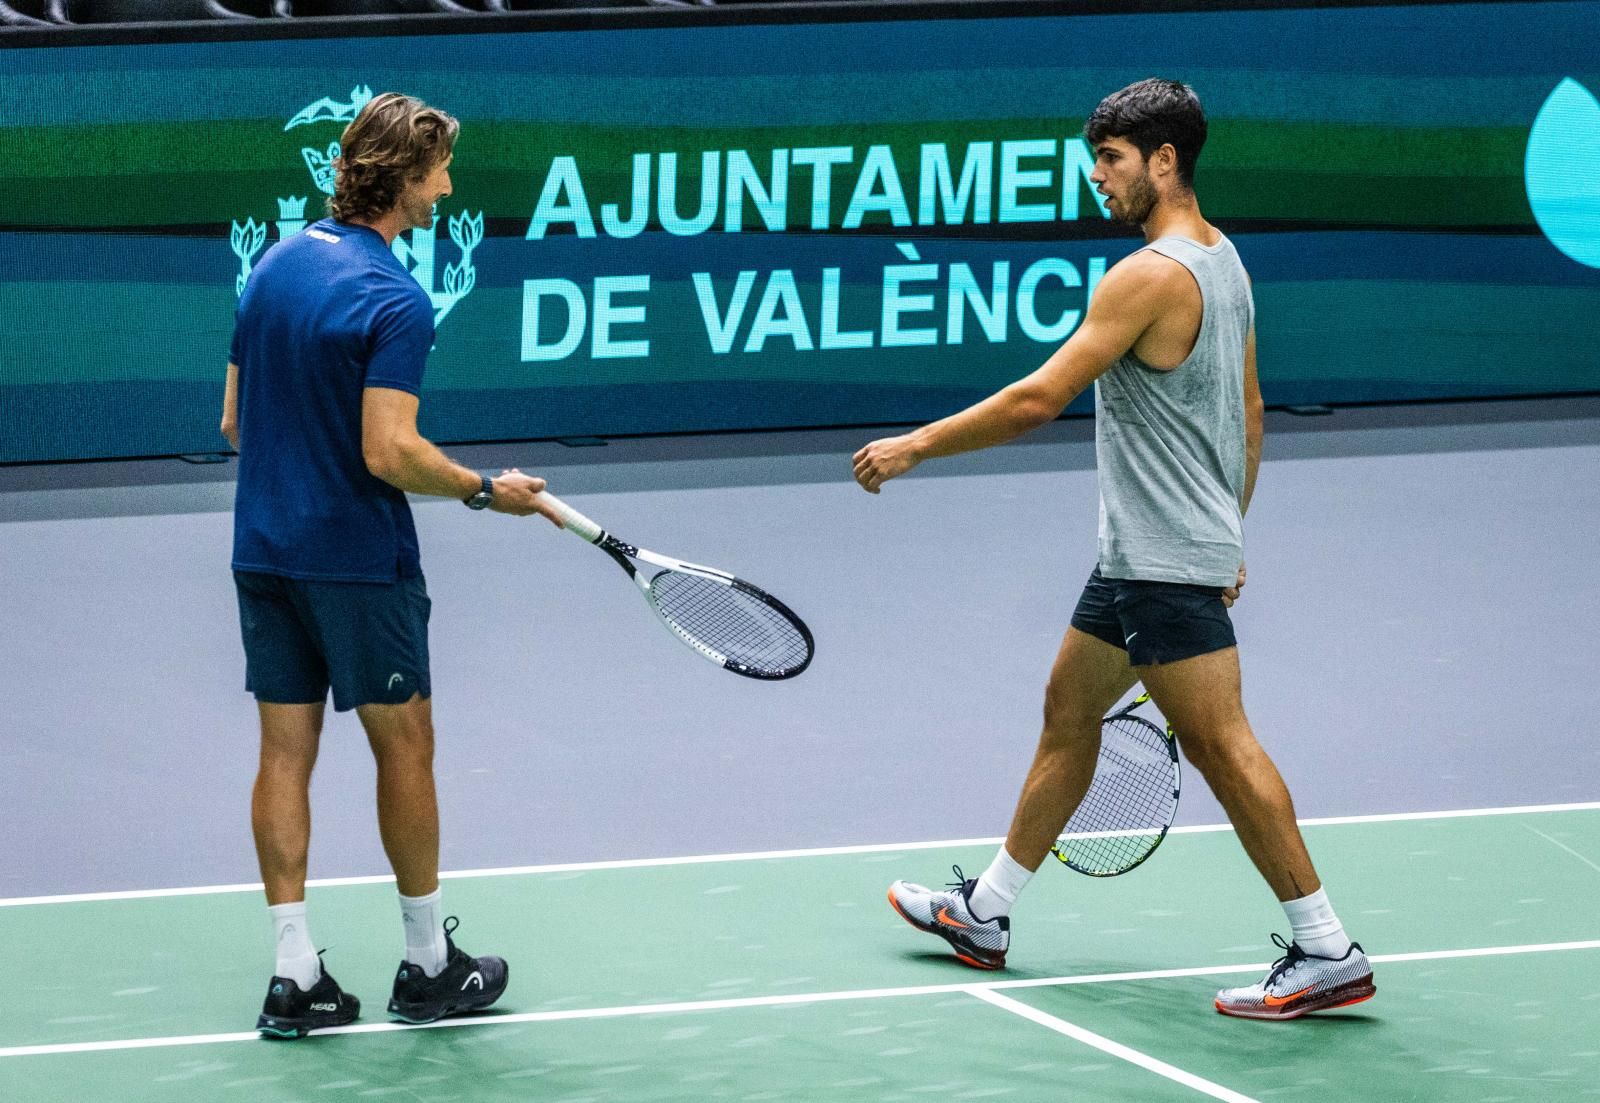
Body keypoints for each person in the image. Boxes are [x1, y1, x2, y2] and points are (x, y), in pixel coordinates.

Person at [855, 79, 1374, 1020]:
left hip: (1162, 560)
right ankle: (986, 912)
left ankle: (1326, 946)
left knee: (1222, 746)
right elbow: (1249, 412)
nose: (1098, 177)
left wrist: (914, 445)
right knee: (1068, 709)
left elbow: (1036, 400)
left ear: (1164, 161)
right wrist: (1231, 527)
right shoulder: (1226, 261)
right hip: (1150, 550)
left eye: (1112, 159)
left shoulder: (1144, 276)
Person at [221, 92, 563, 1038]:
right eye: (440, 170)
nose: (448, 187)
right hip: (357, 562)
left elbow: (235, 424)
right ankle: (427, 962)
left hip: (263, 550)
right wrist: (484, 487)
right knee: (404, 746)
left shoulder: (272, 268)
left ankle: (296, 975)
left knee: (283, 754)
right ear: (404, 178)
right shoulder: (395, 299)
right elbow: (389, 451)